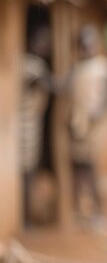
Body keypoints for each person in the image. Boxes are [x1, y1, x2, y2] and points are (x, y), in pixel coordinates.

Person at [67, 25, 107, 226]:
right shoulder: (76, 68)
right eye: (83, 44)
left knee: (90, 166)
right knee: (76, 166)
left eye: (90, 42)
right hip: (76, 123)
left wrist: (99, 113)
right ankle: (80, 211)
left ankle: (97, 212)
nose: (87, 47)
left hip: (93, 124)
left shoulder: (103, 66)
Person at [21, 23, 53, 226]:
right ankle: (25, 217)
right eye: (43, 41)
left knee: (30, 171)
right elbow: (50, 85)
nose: (46, 46)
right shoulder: (31, 64)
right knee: (27, 172)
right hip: (26, 127)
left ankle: (27, 216)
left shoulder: (35, 64)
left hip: (32, 125)